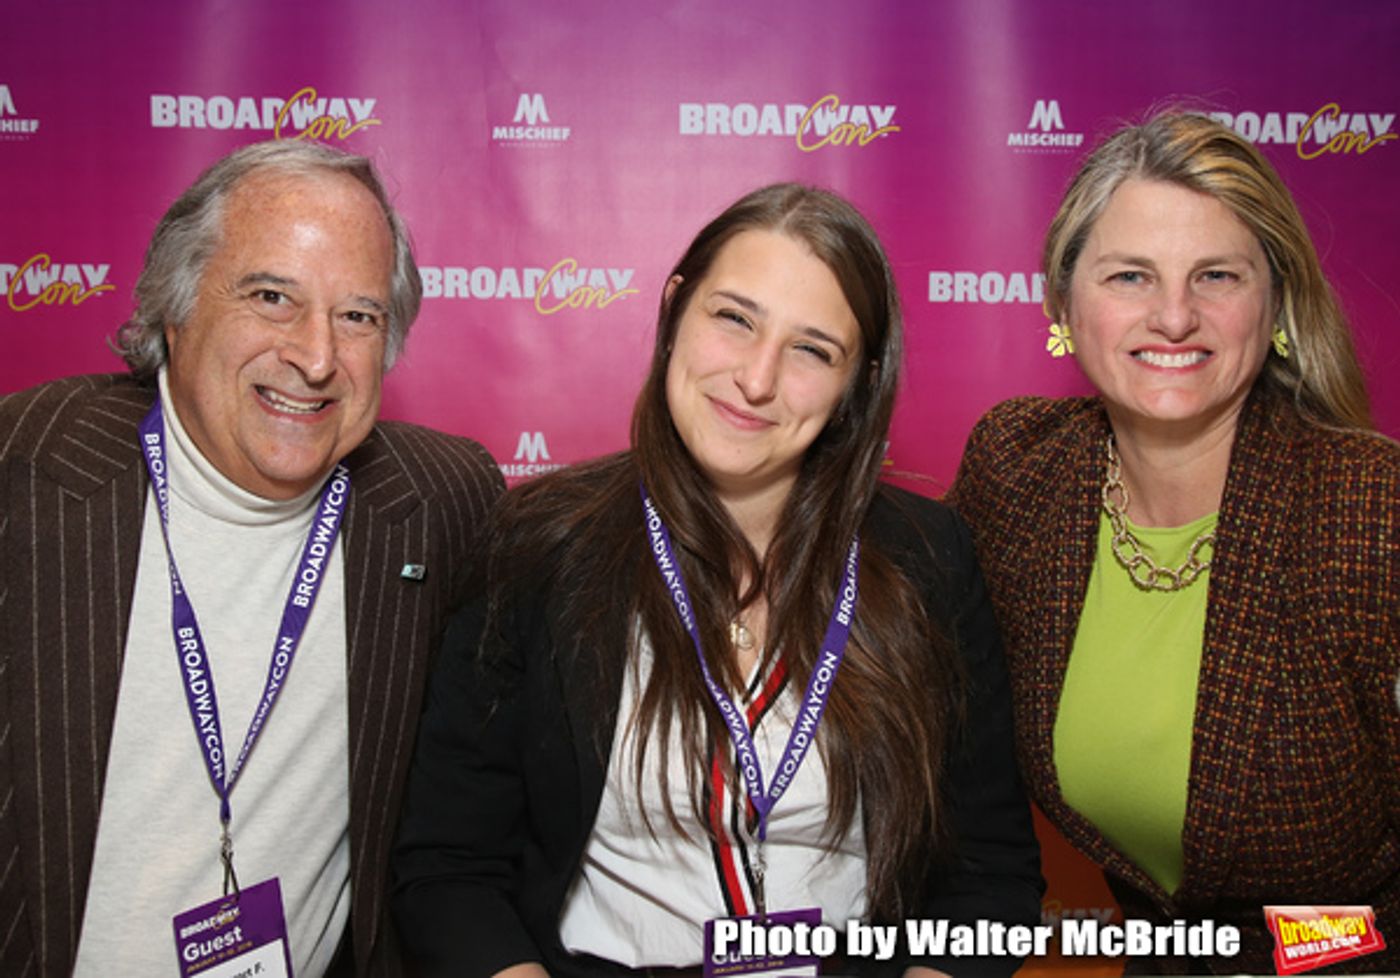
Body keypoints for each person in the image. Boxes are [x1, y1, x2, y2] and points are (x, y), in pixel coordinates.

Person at [392, 184, 1043, 978]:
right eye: (733, 318)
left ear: (857, 386)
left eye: (812, 350)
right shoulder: (540, 544)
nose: (757, 379)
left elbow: (991, 875)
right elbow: (450, 868)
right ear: (675, 310)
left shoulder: (927, 558)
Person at [0, 141, 503, 977]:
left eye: (359, 316)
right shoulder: (24, 476)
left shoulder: (435, 502)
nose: (315, 357)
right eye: (272, 297)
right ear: (176, 305)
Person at [949, 111, 1400, 974]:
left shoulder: (1372, 512)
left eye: (1217, 275)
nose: (1174, 316)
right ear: (1064, 300)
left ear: (1274, 303)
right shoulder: (1019, 473)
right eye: (1129, 276)